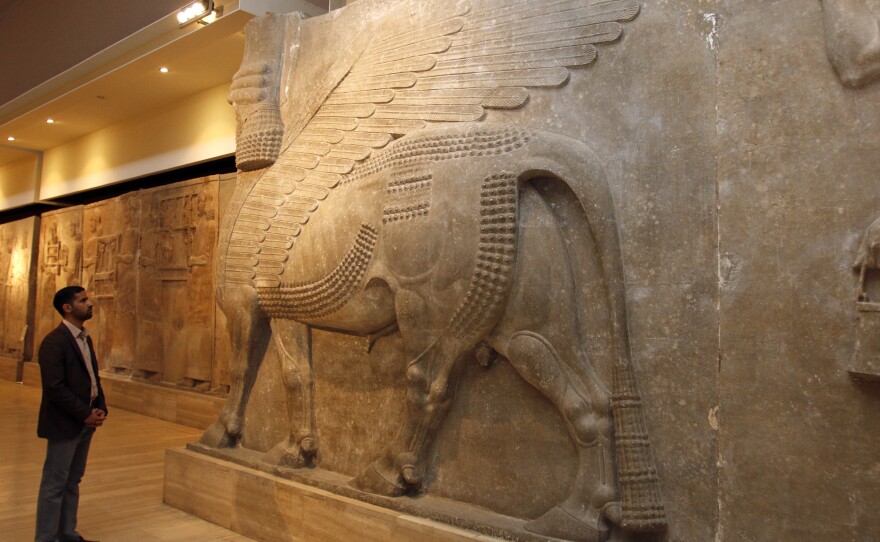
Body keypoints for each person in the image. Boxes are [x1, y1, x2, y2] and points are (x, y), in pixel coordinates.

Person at [35, 286, 106, 542]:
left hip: (86, 420)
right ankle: (45, 538)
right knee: (54, 483)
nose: (90, 303)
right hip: (66, 422)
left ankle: (66, 533)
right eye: (83, 300)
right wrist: (84, 413)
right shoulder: (54, 342)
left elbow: (91, 377)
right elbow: (55, 388)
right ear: (67, 307)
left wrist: (100, 407)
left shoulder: (85, 338)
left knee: (73, 479)